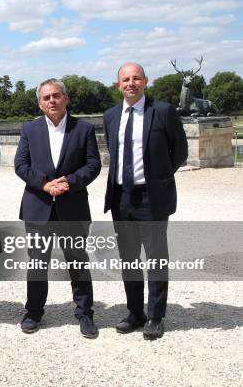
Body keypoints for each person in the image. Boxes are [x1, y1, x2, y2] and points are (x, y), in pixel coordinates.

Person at [103, 63, 187, 340]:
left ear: (145, 81)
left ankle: (155, 316)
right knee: (129, 259)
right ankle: (135, 312)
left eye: (136, 78)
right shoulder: (111, 116)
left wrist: (158, 179)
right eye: (125, 79)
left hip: (152, 197)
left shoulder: (162, 111)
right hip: (121, 197)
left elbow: (180, 152)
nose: (131, 83)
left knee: (155, 258)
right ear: (118, 85)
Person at [14, 78, 101, 338]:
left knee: (78, 262)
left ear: (66, 99)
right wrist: (44, 185)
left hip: (72, 206)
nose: (52, 100)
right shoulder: (29, 129)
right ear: (40, 104)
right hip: (38, 206)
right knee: (37, 263)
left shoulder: (83, 128)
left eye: (56, 95)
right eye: (46, 97)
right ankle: (34, 312)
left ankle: (85, 314)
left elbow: (93, 164)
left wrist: (69, 183)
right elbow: (20, 164)